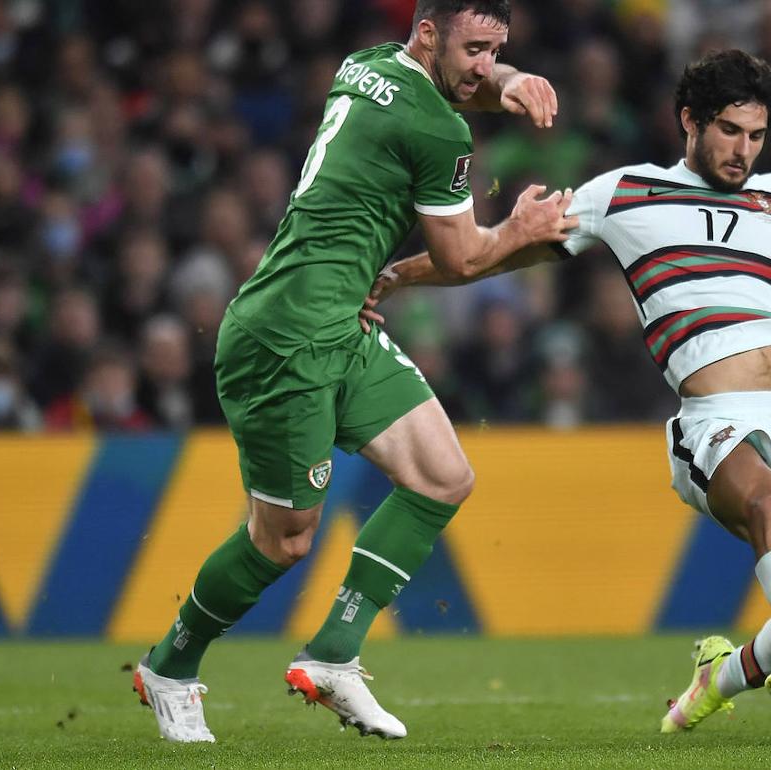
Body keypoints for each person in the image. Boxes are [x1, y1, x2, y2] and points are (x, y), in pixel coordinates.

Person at [363, 49, 771, 732]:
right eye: (730, 131)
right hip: (714, 417)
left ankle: (725, 676)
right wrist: (398, 275)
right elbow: (497, 248)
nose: (743, 151)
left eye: (756, 136)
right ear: (690, 120)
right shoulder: (623, 194)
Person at [132, 0, 576, 744]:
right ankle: (169, 667)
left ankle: (333, 655)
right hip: (284, 340)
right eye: (472, 48)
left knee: (442, 475)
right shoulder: (440, 130)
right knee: (283, 541)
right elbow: (466, 257)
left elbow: (464, 80)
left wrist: (508, 76)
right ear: (428, 32)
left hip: (341, 323)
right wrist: (522, 230)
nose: (480, 66)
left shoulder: (365, 64)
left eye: (493, 49)